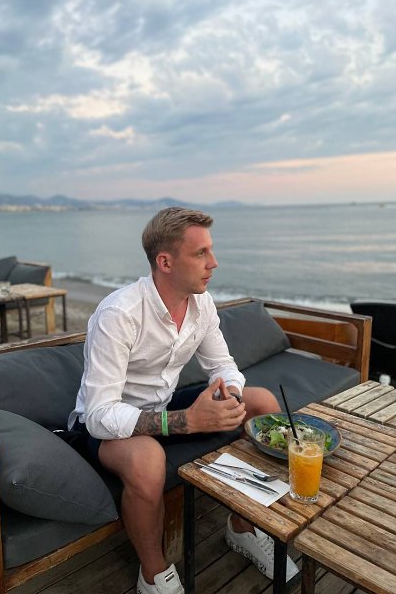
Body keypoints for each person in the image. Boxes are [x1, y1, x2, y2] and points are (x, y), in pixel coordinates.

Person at [68, 207, 298, 593]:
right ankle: (154, 574)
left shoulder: (201, 304)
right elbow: (99, 414)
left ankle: (244, 526)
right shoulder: (119, 314)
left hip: (163, 405)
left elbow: (223, 366)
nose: (214, 262)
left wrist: (229, 398)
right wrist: (188, 421)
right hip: (107, 425)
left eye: (211, 250)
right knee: (147, 458)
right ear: (165, 262)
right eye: (201, 253)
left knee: (261, 404)